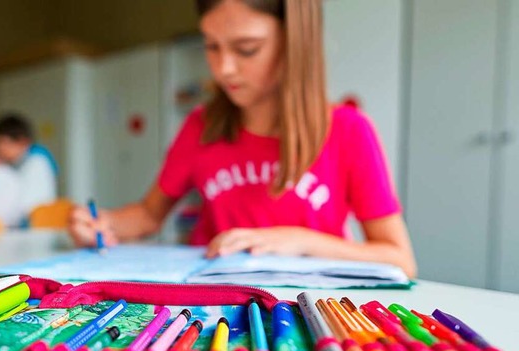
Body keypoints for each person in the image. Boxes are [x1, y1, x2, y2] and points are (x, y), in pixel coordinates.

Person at [68, 0, 417, 277]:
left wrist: (296, 240)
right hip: (211, 307)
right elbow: (147, 214)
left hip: (306, 309)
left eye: (246, 49)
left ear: (295, 41)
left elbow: (400, 260)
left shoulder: (349, 130)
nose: (224, 69)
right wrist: (104, 223)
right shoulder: (200, 126)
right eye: (211, 47)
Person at [0, 113, 58, 217]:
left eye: (2, 142)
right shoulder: (19, 162)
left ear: (22, 141)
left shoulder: (37, 162)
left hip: (32, 226)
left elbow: (28, 206)